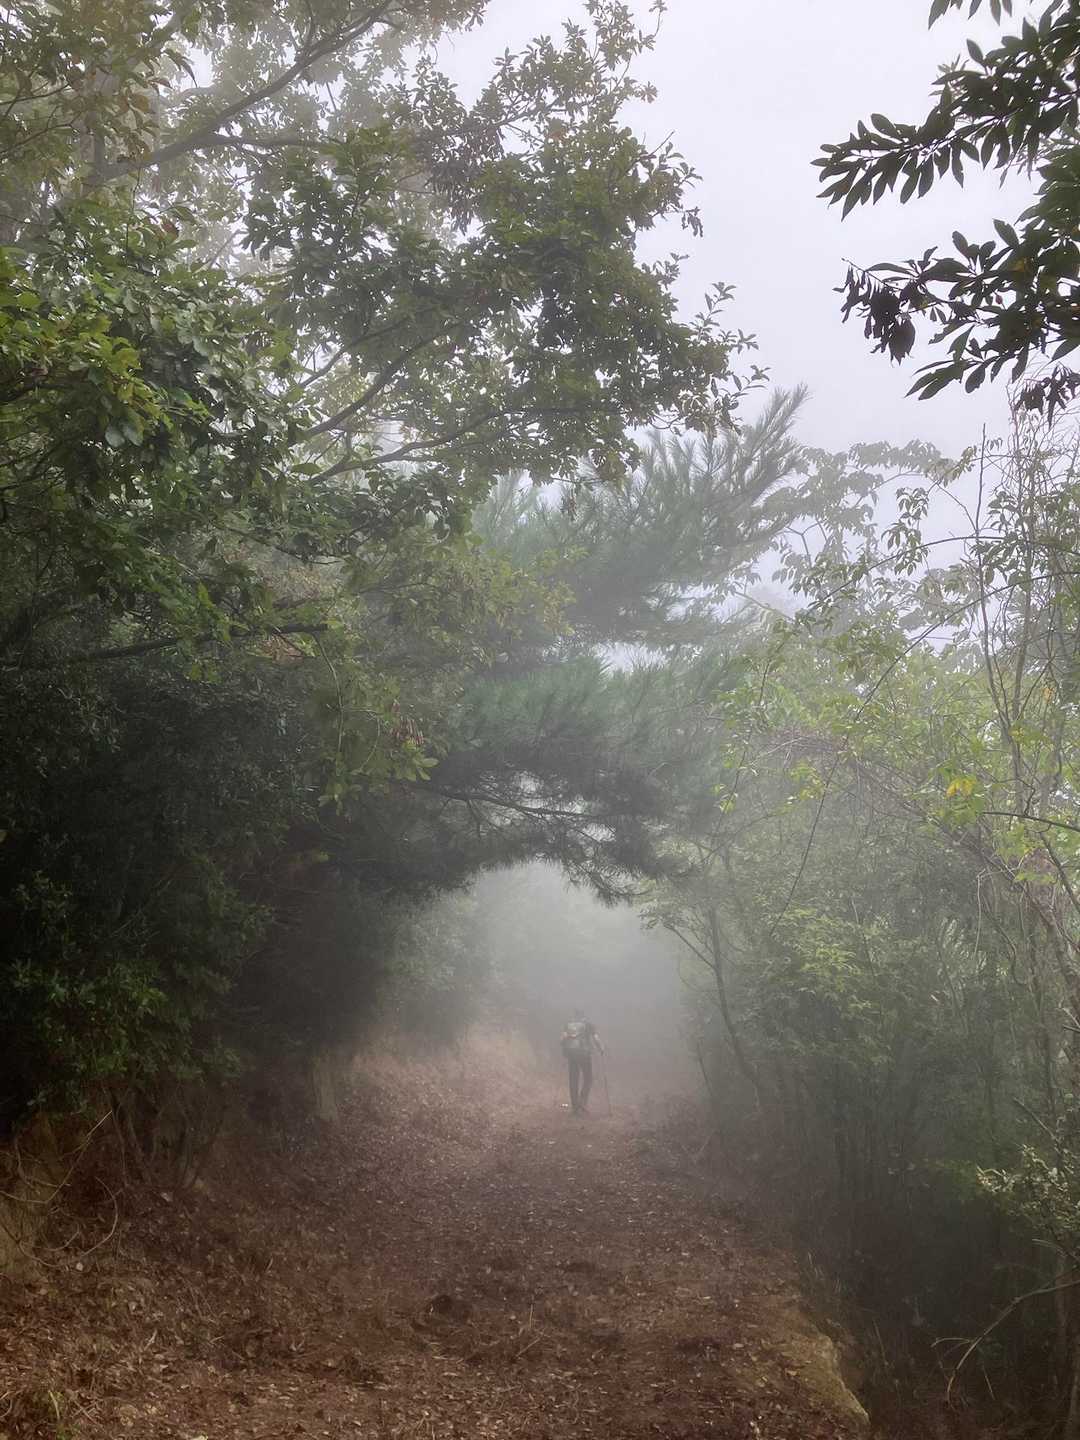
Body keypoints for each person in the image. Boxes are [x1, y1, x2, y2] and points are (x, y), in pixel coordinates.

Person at [560, 1008, 604, 1115]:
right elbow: (596, 1039)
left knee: (573, 1080)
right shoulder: (588, 1025)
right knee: (588, 1078)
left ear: (574, 1016)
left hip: (572, 1055)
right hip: (584, 1055)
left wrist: (567, 1047)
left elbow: (562, 1040)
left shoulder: (568, 1025)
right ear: (583, 1016)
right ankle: (582, 1101)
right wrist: (601, 1048)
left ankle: (575, 1108)